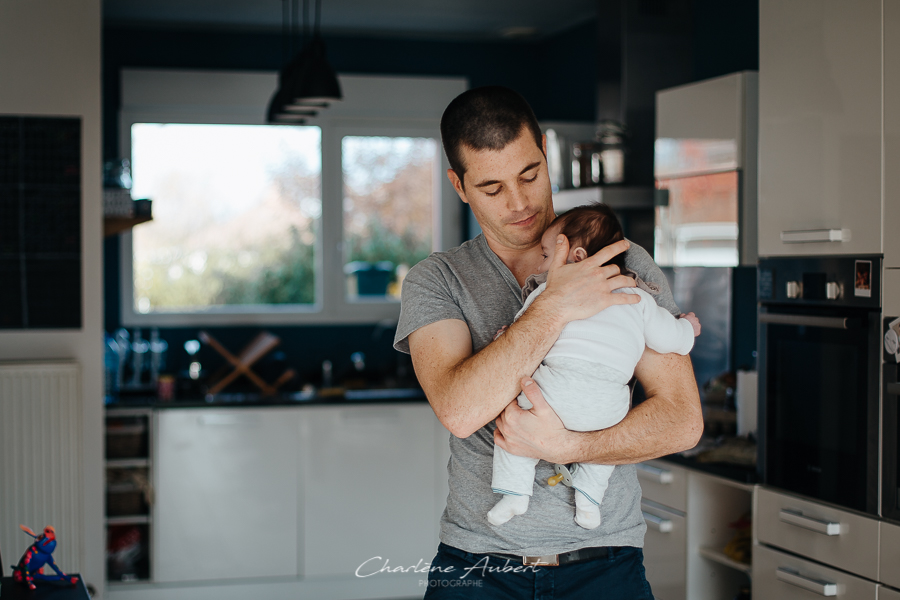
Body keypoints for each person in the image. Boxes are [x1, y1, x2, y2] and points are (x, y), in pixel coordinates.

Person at [394, 86, 702, 599]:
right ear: (459, 184)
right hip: (478, 568)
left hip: (607, 565)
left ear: (543, 149)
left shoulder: (620, 261)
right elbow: (460, 409)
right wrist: (556, 304)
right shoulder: (438, 280)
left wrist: (571, 447)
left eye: (529, 174)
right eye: (492, 188)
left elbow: (683, 422)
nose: (519, 203)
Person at [488, 203, 701, 531]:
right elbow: (672, 340)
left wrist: (506, 336)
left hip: (556, 389)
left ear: (576, 256)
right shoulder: (639, 299)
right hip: (608, 404)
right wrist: (688, 328)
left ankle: (515, 492)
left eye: (547, 255)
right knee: (608, 447)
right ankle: (588, 501)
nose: (542, 265)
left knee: (514, 424)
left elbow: (523, 332)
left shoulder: (549, 293)